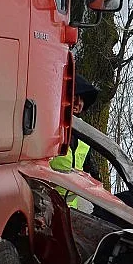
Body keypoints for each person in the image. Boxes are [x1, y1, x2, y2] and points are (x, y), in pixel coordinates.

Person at [50, 74, 102, 205]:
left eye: (82, 99)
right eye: (75, 96)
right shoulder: (49, 127)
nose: (78, 103)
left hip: (71, 210)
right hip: (45, 204)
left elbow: (91, 172)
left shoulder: (85, 136)